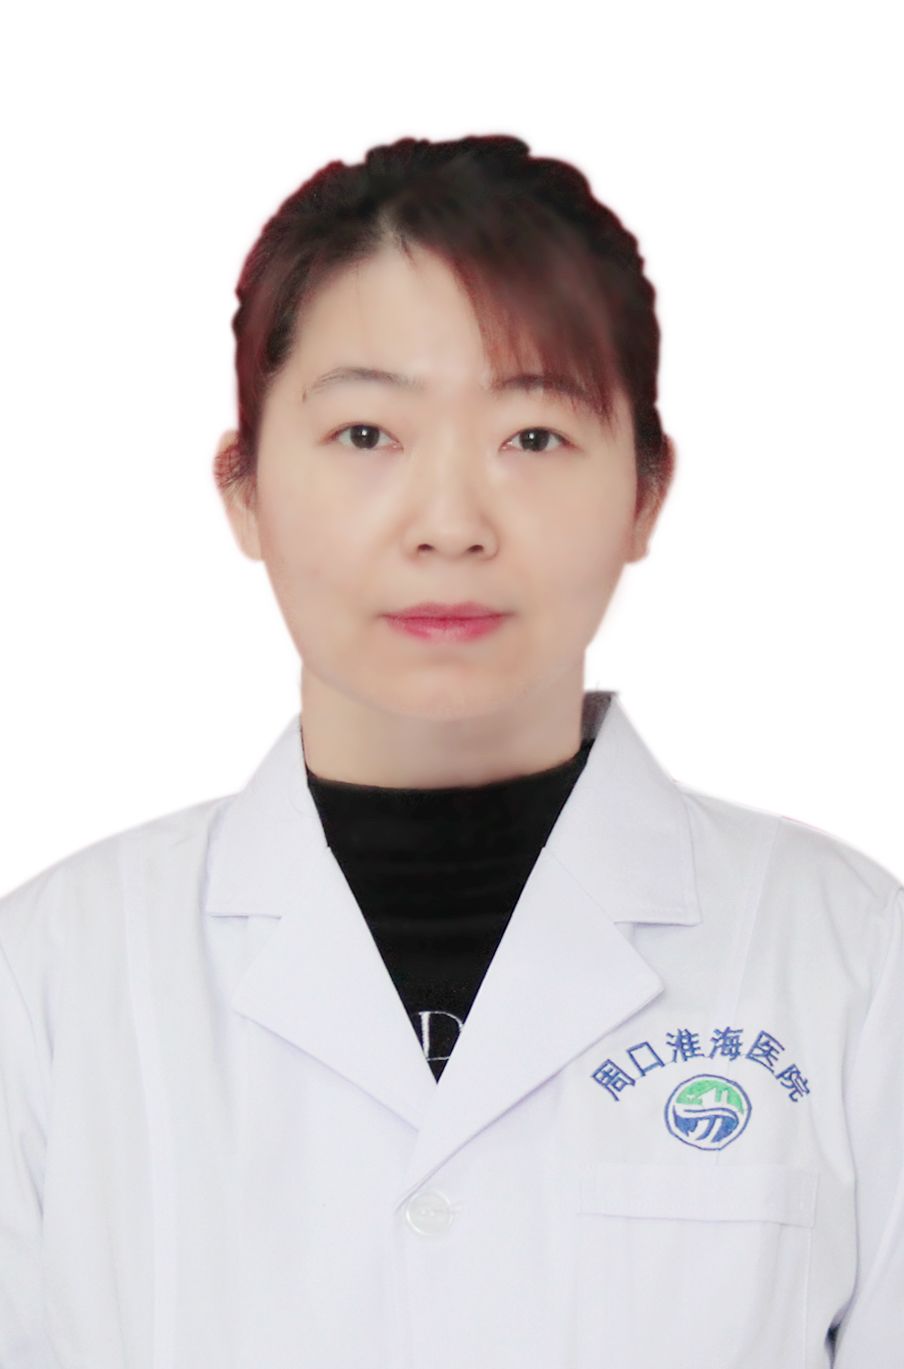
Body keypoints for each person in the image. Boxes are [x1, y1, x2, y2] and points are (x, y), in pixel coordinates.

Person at [0, 132, 901, 1368]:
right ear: (244, 488)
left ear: (645, 491)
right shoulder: (52, 982)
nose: (448, 525)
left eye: (531, 436)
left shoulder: (850, 965)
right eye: (366, 434)